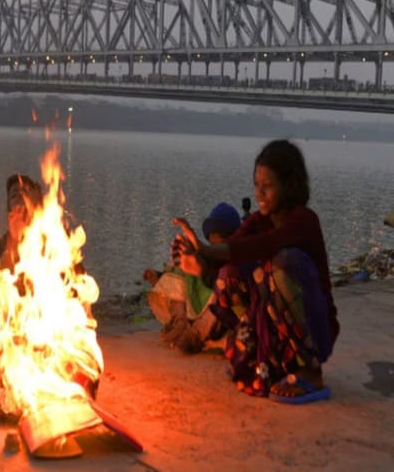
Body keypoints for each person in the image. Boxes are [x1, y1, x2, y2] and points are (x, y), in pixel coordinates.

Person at [172, 139, 339, 404]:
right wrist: (200, 263)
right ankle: (274, 362)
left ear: (292, 185)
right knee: (230, 274)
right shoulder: (259, 221)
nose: (259, 194)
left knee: (281, 263)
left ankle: (311, 371)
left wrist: (205, 249)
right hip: (278, 324)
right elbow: (235, 246)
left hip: (316, 330)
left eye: (268, 186)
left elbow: (266, 245)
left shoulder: (304, 221)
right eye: (257, 186)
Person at [145, 202, 242, 353]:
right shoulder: (208, 254)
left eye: (220, 238)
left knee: (220, 294)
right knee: (180, 273)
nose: (215, 241)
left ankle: (193, 335)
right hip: (195, 306)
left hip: (222, 315)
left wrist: (202, 270)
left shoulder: (239, 257)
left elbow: (221, 282)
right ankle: (180, 323)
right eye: (212, 238)